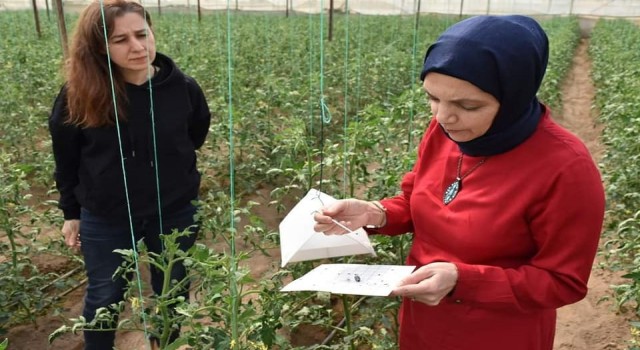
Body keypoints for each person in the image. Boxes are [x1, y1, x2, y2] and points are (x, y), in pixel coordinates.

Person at [313, 15, 605, 350]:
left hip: (498, 333)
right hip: (425, 320)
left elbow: (562, 280)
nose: (442, 116)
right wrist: (375, 213)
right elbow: (418, 201)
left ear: (514, 95)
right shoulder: (444, 131)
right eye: (433, 98)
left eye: (468, 105)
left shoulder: (565, 168)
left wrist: (463, 281)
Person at [48, 0, 211, 348]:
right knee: (105, 296)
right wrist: (71, 214)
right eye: (120, 40)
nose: (137, 47)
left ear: (152, 32)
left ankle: (161, 344)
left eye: (141, 34)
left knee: (172, 290)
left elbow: (194, 136)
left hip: (174, 210)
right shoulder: (80, 95)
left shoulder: (183, 88)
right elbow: (66, 159)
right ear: (99, 47)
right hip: (106, 216)